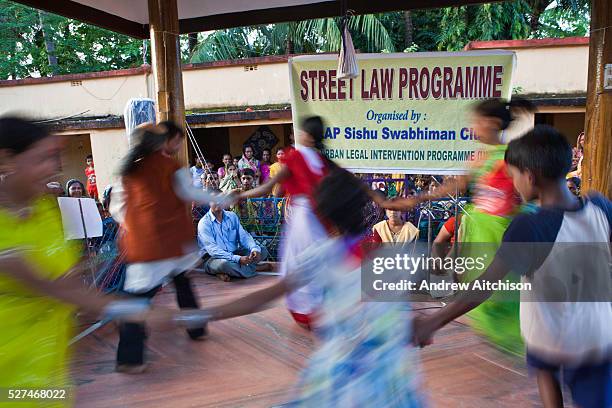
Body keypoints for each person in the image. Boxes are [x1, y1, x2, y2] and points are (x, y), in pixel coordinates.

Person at [183, 168, 425, 406]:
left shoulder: (325, 255)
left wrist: (202, 314)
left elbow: (264, 296)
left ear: (325, 217)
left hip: (341, 383)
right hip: (390, 386)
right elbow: (412, 322)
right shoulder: (388, 259)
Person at [413, 125, 612, 408]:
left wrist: (434, 321)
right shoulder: (600, 208)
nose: (514, 184)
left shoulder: (530, 226)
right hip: (597, 334)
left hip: (553, 337)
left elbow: (486, 284)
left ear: (530, 176)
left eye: (515, 176)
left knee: (545, 365)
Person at [0, 117, 169, 404]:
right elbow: (53, 286)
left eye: (55, 158)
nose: (54, 169)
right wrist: (133, 311)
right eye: (42, 159)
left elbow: (68, 278)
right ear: (6, 160)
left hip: (48, 368)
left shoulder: (43, 208)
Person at [377, 98, 535, 356]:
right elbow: (456, 185)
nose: (472, 127)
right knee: (483, 288)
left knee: (498, 289)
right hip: (480, 229)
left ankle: (525, 340)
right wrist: (418, 199)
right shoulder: (479, 156)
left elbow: (527, 191)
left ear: (493, 123)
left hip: (500, 231)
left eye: (476, 122)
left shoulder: (510, 155)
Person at [110, 121, 230, 373]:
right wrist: (223, 198)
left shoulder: (128, 171)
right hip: (168, 245)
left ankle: (135, 357)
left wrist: (135, 226)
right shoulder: (171, 167)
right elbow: (192, 194)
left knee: (154, 293)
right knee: (168, 290)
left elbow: (116, 208)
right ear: (161, 142)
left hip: (145, 244)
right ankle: (136, 356)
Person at [237, 116, 332, 328]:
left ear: (306, 135)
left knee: (295, 265)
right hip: (320, 219)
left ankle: (304, 313)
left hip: (302, 220)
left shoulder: (296, 158)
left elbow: (268, 187)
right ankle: (319, 310)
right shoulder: (324, 162)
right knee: (317, 263)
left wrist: (241, 196)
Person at [198, 191, 268, 282]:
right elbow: (213, 250)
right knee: (224, 265)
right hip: (213, 258)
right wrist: (237, 259)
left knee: (262, 250)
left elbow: (244, 236)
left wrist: (254, 249)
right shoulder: (204, 223)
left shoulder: (232, 216)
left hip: (234, 253)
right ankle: (254, 268)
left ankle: (226, 272)